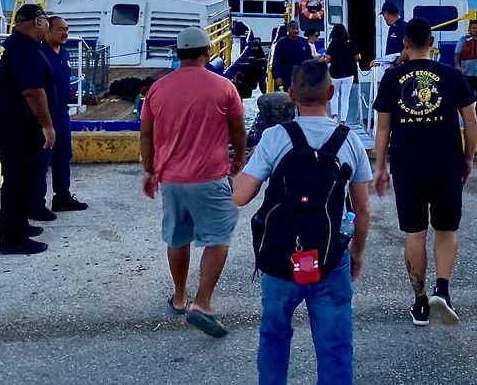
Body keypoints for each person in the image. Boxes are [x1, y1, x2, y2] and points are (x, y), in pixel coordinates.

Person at [233, 60, 372, 385]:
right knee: (335, 347)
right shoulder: (348, 140)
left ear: (292, 95)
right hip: (328, 258)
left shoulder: (274, 137)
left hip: (281, 258)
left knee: (274, 339)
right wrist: (356, 255)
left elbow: (240, 196)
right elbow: (362, 210)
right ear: (332, 92)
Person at [139, 27, 246, 337]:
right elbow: (237, 128)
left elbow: (146, 133)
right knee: (218, 238)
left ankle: (180, 296)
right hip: (210, 177)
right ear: (207, 53)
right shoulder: (224, 87)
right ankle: (203, 302)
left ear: (177, 54)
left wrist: (150, 171)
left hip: (171, 180)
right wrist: (237, 159)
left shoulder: (157, 89)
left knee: (177, 238)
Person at [373, 17, 477, 326]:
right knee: (446, 229)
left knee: (415, 232)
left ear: (404, 44)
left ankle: (420, 303)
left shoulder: (392, 79)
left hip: (408, 165)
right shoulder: (452, 75)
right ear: (432, 43)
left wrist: (381, 166)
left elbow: (383, 128)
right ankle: (442, 291)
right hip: (446, 162)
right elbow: (470, 122)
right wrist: (469, 158)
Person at [0, 3, 57, 255]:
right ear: (38, 21)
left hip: (7, 123)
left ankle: (11, 225)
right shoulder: (25, 51)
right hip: (18, 126)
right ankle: (12, 238)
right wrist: (48, 126)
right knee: (21, 179)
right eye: (46, 20)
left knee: (17, 179)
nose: (48, 25)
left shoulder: (12, 46)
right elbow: (32, 91)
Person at [32, 15, 87, 218]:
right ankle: (36, 203)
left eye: (67, 29)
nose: (65, 33)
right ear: (48, 30)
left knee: (63, 156)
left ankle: (62, 197)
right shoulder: (40, 54)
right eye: (60, 29)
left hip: (62, 113)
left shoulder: (63, 53)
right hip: (46, 114)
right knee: (42, 159)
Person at [324, 23, 361, 123]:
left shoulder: (333, 44)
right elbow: (358, 57)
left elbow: (328, 59)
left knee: (334, 95)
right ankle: (343, 121)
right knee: (345, 98)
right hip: (348, 73)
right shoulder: (350, 44)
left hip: (335, 74)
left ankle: (335, 116)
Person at [272, 20, 313, 91]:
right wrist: (277, 76)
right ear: (288, 30)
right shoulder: (281, 43)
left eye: (297, 28)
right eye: (293, 28)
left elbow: (309, 58)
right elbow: (276, 61)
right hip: (287, 77)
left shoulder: (303, 42)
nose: (295, 31)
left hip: (302, 77)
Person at [379, 1, 408, 67]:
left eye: (383, 15)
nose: (384, 18)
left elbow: (408, 48)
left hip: (399, 66)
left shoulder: (403, 27)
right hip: (391, 65)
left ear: (387, 14)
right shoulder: (392, 28)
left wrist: (396, 63)